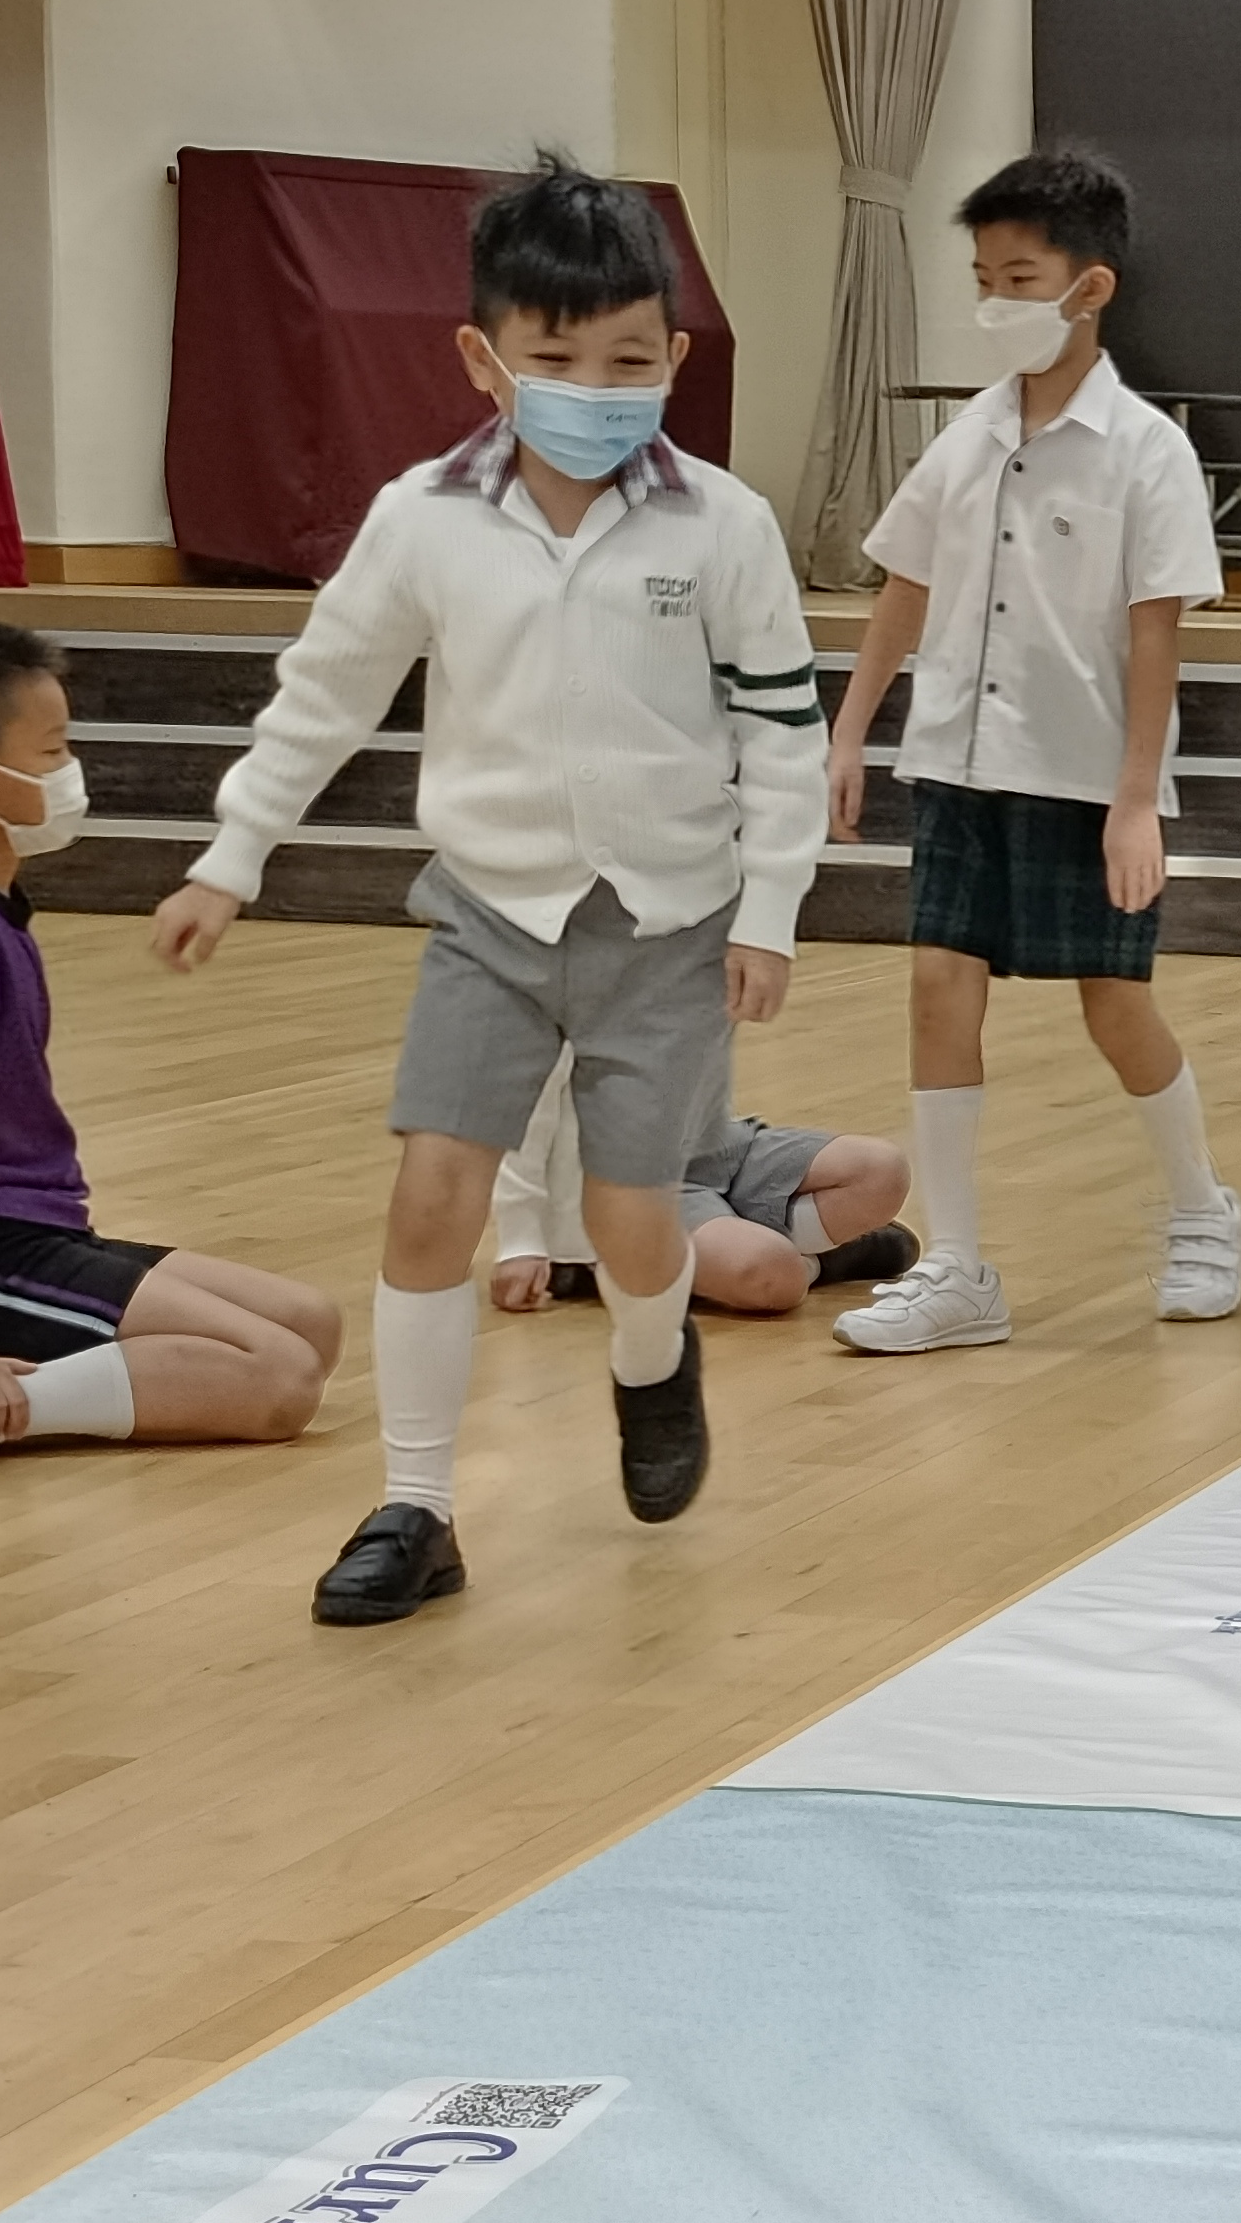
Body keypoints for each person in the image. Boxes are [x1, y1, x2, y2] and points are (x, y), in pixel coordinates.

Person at [148, 157, 827, 1624]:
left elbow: (784, 734)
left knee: (630, 1218)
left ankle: (652, 1361)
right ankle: (417, 1504)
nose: (596, 388)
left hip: (668, 923)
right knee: (430, 1196)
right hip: (488, 915)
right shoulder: (422, 517)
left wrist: (770, 915)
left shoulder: (723, 525)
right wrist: (231, 855)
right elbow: (325, 694)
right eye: (556, 359)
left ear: (675, 355)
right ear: (483, 357)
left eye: (630, 361)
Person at [822, 143, 1237, 1355]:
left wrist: (1134, 800)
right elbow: (904, 585)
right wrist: (849, 730)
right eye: (983, 280)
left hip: (1080, 774)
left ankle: (1202, 1209)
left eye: (1019, 279)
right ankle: (957, 1265)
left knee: (1115, 1005)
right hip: (956, 764)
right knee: (936, 990)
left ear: (1088, 287)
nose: (996, 302)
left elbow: (1155, 632)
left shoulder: (1147, 450)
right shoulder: (966, 436)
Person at [0, 623, 340, 1484]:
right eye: (52, 751)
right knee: (279, 1377)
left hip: (30, 1229)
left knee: (311, 1323)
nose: (70, 771)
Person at [490, 1061, 914, 1316]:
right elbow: (520, 1119)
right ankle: (818, 1261)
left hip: (719, 1145)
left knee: (883, 1171)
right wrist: (519, 1244)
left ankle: (727, 1246)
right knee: (777, 1277)